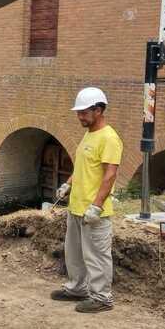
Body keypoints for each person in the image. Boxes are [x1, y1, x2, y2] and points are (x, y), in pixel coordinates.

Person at [52, 87, 122, 313]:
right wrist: (68, 184)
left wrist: (97, 206)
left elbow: (110, 174)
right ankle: (77, 288)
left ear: (99, 110)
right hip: (76, 206)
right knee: (74, 253)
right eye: (78, 112)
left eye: (84, 112)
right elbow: (83, 167)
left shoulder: (109, 138)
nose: (80, 116)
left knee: (96, 256)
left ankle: (102, 298)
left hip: (94, 211)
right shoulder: (89, 134)